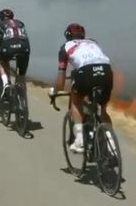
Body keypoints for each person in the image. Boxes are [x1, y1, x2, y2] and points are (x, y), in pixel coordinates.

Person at [47, 23, 114, 154]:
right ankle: (112, 146)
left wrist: (54, 91)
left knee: (75, 102)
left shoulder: (65, 47)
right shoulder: (93, 42)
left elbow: (61, 81)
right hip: (106, 71)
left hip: (86, 72)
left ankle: (79, 140)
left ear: (67, 36)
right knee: (103, 111)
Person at [0, 9, 30, 98]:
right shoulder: (20, 23)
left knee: (0, 62)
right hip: (24, 48)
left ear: (0, 18)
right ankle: (22, 98)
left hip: (8, 48)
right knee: (21, 74)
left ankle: (6, 83)